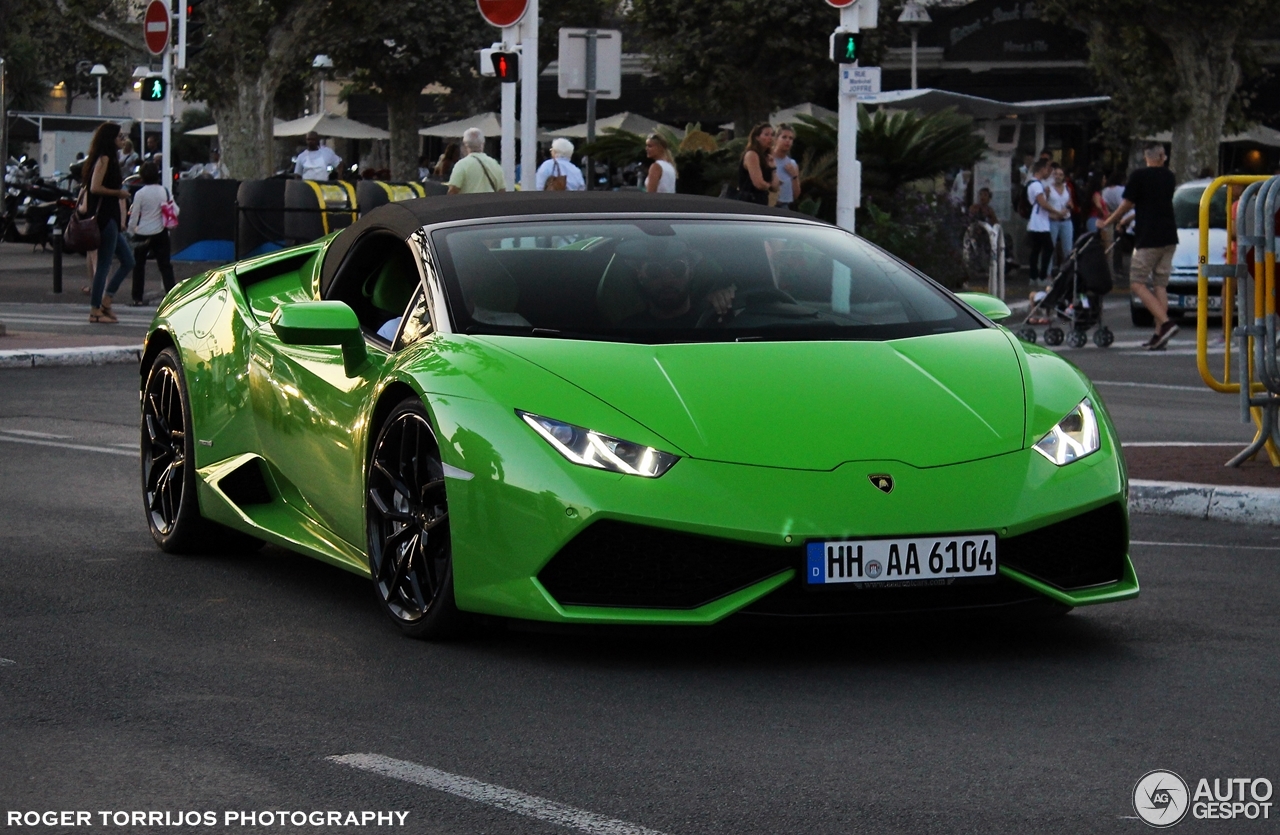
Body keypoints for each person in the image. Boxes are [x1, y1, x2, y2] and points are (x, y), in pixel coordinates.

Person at [1103, 142, 1181, 349]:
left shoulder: (1139, 176)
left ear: (1146, 157)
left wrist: (1109, 221)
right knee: (1160, 284)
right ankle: (1159, 335)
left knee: (1137, 282)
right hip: (1169, 236)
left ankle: (1165, 323)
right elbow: (1153, 204)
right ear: (1162, 156)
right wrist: (1128, 220)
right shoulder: (1169, 177)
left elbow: (1127, 204)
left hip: (1149, 237)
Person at [617, 238, 735, 328]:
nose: (667, 279)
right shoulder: (627, 330)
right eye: (654, 271)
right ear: (640, 276)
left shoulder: (712, 318)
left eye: (677, 268)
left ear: (691, 272)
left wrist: (725, 302)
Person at [83, 122, 135, 324]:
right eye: (119, 136)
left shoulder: (112, 159)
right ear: (110, 138)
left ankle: (106, 300)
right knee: (104, 264)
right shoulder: (104, 159)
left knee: (128, 260)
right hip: (105, 217)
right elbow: (95, 187)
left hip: (111, 216)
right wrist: (118, 193)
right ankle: (95, 309)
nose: (123, 140)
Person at [126, 162, 177, 307]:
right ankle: (171, 297)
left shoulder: (140, 194)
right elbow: (175, 210)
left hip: (142, 233)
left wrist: (130, 232)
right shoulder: (164, 191)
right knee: (165, 266)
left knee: (139, 266)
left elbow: (134, 216)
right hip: (161, 232)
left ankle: (137, 297)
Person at [446, 128, 505, 194]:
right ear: (483, 143)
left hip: (469, 203)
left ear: (465, 145)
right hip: (490, 203)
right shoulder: (495, 164)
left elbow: (453, 191)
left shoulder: (461, 165)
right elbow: (502, 191)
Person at [1025, 159, 1055, 286]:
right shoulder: (1036, 185)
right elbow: (1042, 203)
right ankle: (1041, 276)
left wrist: (1046, 195)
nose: (1048, 172)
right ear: (1041, 169)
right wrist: (1056, 212)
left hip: (1038, 222)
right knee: (1048, 248)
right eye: (1047, 169)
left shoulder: (1035, 184)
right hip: (1039, 223)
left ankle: (1034, 276)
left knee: (1036, 249)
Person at [737, 122, 778, 205]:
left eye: (772, 135)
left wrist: (773, 168)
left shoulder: (767, 156)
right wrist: (768, 185)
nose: (770, 138)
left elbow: (775, 187)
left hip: (761, 201)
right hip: (749, 201)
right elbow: (759, 184)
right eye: (766, 135)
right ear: (757, 137)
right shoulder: (752, 154)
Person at [1046, 163, 1075, 272]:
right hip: (1053, 220)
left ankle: (1067, 272)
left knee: (1067, 249)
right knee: (1050, 248)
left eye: (1060, 174)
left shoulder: (1067, 188)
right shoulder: (1048, 189)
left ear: (1064, 176)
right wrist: (1055, 213)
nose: (1058, 176)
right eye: (1056, 174)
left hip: (1066, 220)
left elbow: (1070, 202)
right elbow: (1045, 204)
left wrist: (1068, 207)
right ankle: (1047, 273)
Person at [772, 124, 801, 210]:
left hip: (784, 207)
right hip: (767, 205)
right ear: (776, 139)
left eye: (790, 138)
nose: (787, 140)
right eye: (784, 137)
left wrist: (794, 176)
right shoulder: (767, 159)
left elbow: (795, 195)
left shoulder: (792, 164)